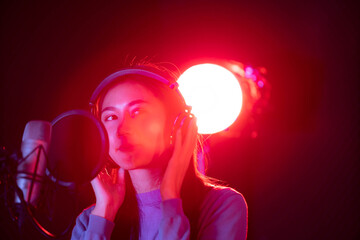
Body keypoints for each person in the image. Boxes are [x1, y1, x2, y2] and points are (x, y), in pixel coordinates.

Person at [71, 61, 248, 240]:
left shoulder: (221, 205)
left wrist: (170, 196)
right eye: (110, 117)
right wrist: (104, 213)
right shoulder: (89, 222)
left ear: (176, 123)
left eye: (137, 112)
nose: (121, 129)